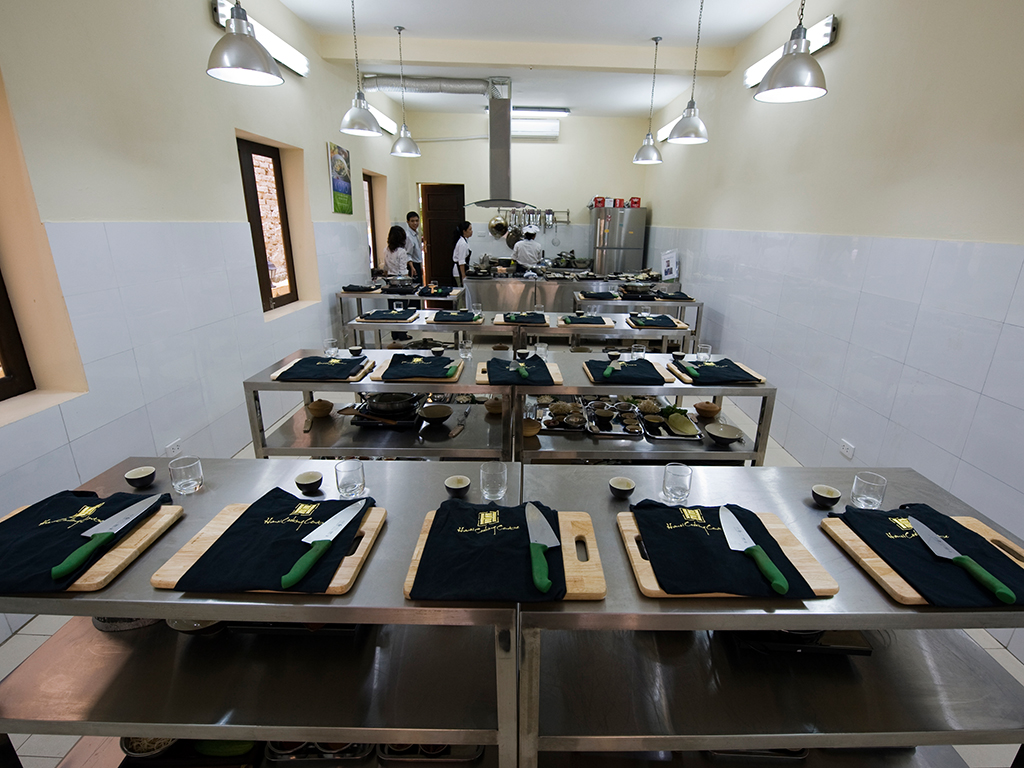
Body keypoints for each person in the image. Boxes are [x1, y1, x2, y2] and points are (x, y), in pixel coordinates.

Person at [402, 211, 424, 284]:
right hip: (412, 265)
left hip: (417, 264)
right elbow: (408, 254)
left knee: (420, 284)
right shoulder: (408, 236)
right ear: (408, 222)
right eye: (412, 221)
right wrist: (412, 267)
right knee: (415, 285)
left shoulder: (415, 234)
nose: (415, 223)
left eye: (417, 221)